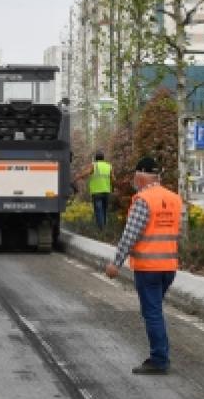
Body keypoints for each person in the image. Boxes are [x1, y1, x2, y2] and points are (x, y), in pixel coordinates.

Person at [104, 156, 183, 375]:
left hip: (149, 267)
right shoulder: (175, 199)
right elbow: (180, 233)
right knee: (154, 310)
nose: (134, 179)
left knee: (152, 313)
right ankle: (161, 354)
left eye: (135, 175)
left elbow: (130, 234)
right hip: (169, 267)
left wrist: (115, 263)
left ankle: (159, 359)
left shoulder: (143, 200)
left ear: (141, 175)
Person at [75, 150, 115, 230]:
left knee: (98, 210)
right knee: (104, 210)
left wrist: (78, 177)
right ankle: (104, 228)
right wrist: (112, 188)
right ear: (103, 158)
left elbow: (87, 173)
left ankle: (101, 228)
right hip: (106, 191)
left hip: (97, 192)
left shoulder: (94, 165)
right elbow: (113, 178)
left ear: (95, 159)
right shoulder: (109, 166)